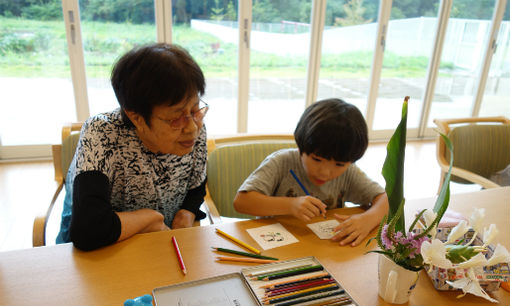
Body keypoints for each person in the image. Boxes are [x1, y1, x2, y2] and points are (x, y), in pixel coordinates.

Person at [56, 43, 208, 251]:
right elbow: (87, 230)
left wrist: (187, 212)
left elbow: (196, 183)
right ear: (136, 117)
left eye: (195, 109)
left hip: (161, 246)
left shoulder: (193, 126)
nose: (192, 128)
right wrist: (148, 218)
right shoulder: (102, 134)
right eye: (176, 118)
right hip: (100, 253)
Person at [233, 98, 388, 247]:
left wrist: (368, 219)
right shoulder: (281, 162)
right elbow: (242, 202)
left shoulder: (348, 172)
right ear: (301, 147)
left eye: (339, 164)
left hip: (323, 248)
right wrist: (290, 205)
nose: (325, 172)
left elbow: (386, 199)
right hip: (276, 246)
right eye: (317, 159)